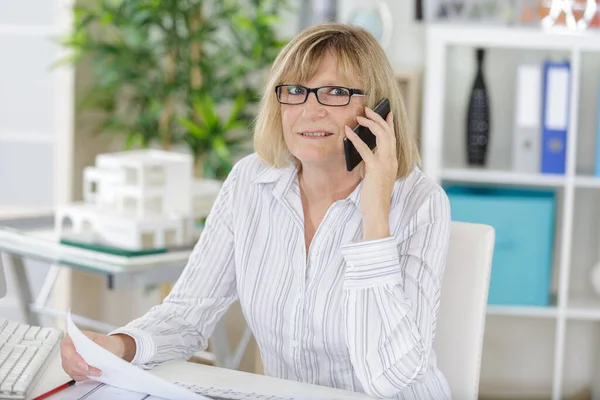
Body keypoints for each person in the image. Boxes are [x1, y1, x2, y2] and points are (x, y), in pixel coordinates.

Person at [60, 22, 452, 399]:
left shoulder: (421, 203)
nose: (310, 110)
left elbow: (390, 378)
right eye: (296, 90)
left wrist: (375, 217)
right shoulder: (251, 183)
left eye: (334, 92)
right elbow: (188, 313)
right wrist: (119, 346)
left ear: (377, 111)